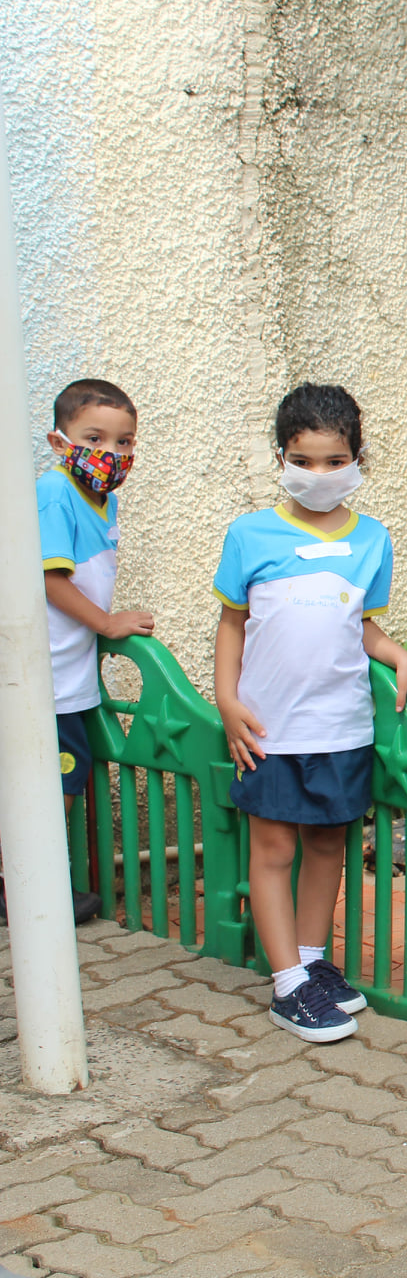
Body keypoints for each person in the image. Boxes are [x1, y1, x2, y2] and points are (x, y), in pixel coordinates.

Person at [213, 384, 407, 1044]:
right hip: (269, 727)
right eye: (304, 460)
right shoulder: (249, 534)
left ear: (358, 458)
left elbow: (360, 628)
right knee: (275, 848)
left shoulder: (373, 540)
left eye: (335, 460)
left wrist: (400, 656)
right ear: (282, 456)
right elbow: (231, 624)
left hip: (341, 727)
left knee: (330, 842)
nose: (319, 474)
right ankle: (286, 986)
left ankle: (310, 962)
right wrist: (227, 701)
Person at [1, 380, 157, 928]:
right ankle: (28, 890)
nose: (110, 454)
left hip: (67, 670)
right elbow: (53, 580)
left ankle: (28, 885)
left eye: (123, 442)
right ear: (58, 439)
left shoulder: (103, 497)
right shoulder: (54, 490)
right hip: (43, 675)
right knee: (53, 779)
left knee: (61, 776)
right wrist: (106, 623)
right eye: (95, 438)